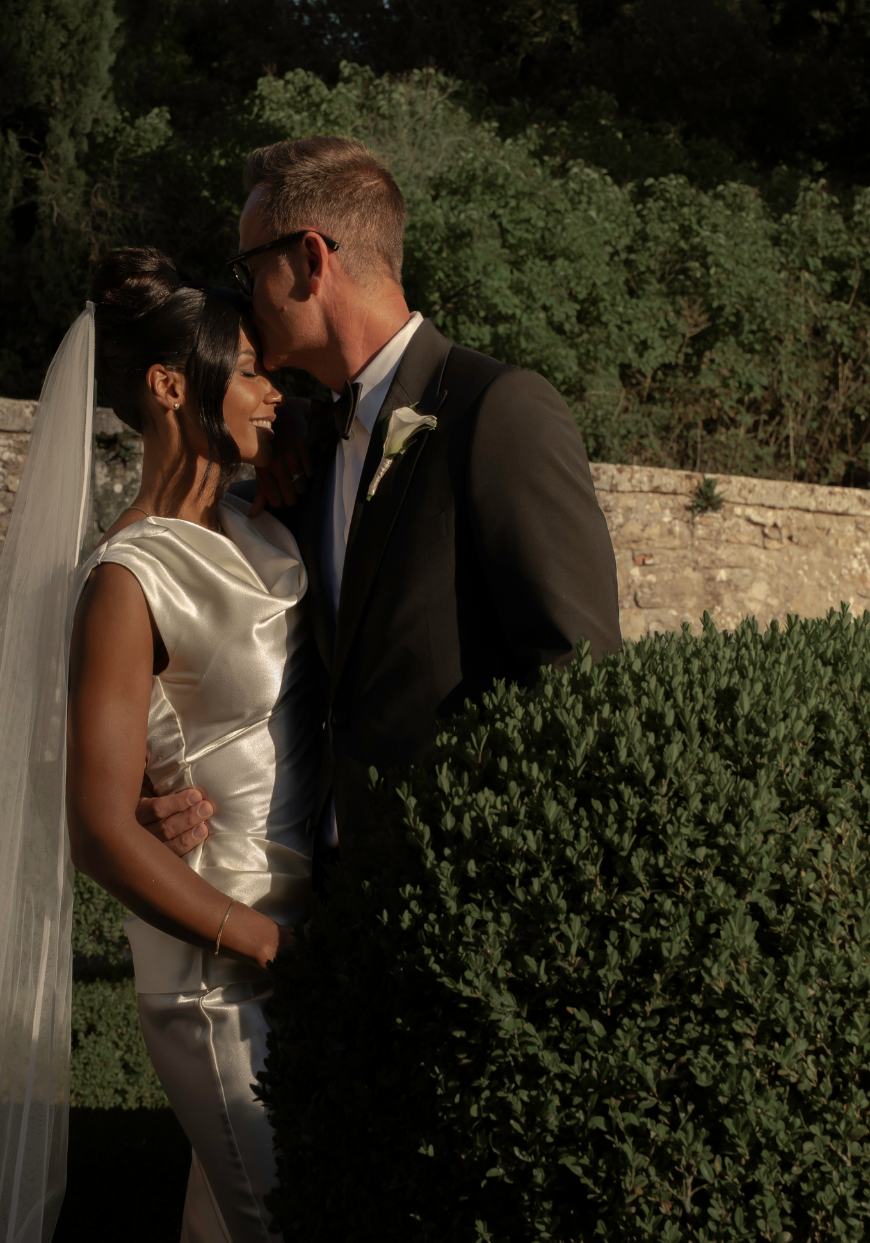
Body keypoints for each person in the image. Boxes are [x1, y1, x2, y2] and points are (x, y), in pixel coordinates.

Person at [0, 250, 318, 1243]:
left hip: (304, 936)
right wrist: (277, 948)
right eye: (246, 368)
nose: (272, 389)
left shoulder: (264, 524)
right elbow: (103, 832)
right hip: (222, 967)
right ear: (166, 385)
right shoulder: (124, 579)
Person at [139, 134, 622, 866]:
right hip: (318, 905)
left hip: (457, 894)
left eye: (248, 267)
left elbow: (578, 672)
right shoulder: (301, 445)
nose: (240, 294)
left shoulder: (497, 411)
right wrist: (147, 795)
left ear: (310, 260)